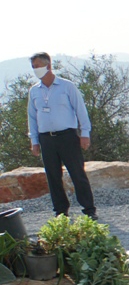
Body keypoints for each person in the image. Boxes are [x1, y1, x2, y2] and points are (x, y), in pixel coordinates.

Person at [26, 53, 97, 219]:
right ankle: (60, 211)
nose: (35, 70)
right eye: (33, 67)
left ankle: (89, 209)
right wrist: (34, 141)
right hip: (46, 138)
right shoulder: (34, 91)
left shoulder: (67, 86)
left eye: (38, 66)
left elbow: (80, 109)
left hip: (67, 136)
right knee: (52, 176)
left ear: (48, 66)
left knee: (77, 173)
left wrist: (85, 133)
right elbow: (32, 116)